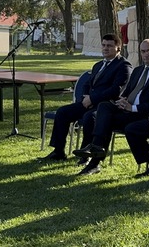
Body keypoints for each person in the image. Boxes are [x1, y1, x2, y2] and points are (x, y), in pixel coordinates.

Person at [72, 39, 149, 175]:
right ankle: (95, 155)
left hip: (142, 113)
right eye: (143, 51)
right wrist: (122, 100)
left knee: (107, 120)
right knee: (102, 109)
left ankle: (96, 153)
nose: (146, 54)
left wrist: (133, 108)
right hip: (127, 109)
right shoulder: (138, 70)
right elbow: (126, 92)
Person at [38, 33, 131, 162]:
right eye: (103, 45)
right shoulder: (98, 65)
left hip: (105, 106)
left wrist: (93, 99)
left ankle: (86, 155)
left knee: (89, 118)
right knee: (62, 112)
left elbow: (116, 90)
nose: (105, 48)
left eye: (109, 46)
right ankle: (58, 151)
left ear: (118, 48)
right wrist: (86, 97)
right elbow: (87, 84)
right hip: (88, 102)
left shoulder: (124, 66)